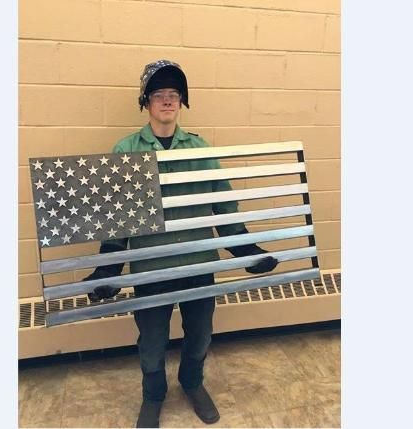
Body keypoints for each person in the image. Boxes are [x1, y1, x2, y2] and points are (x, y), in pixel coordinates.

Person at [83, 59, 279, 428]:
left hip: (198, 264)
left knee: (201, 334)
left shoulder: (200, 149)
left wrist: (247, 253)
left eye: (174, 95)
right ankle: (153, 395)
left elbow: (225, 208)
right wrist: (108, 267)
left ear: (182, 101)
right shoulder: (126, 150)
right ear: (146, 101)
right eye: (159, 94)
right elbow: (117, 217)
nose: (167, 101)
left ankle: (192, 383)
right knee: (152, 341)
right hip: (151, 268)